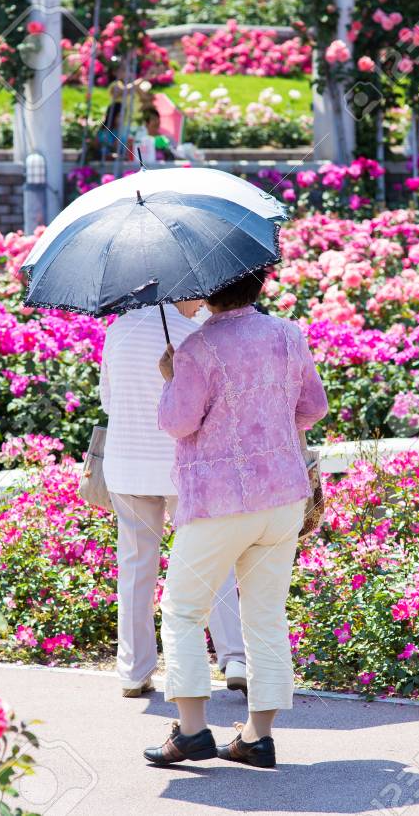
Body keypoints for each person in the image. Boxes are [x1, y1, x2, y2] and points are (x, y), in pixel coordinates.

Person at [144, 270, 328, 769]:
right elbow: (313, 406)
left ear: (207, 290)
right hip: (283, 495)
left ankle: (192, 731)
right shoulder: (288, 334)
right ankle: (257, 737)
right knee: (265, 615)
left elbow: (178, 422)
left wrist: (172, 379)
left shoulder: (197, 349)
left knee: (183, 610)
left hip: (219, 504)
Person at [99, 303, 247, 699]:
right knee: (212, 560)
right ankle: (235, 657)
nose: (201, 301)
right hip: (183, 467)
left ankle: (133, 670)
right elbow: (208, 410)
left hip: (127, 465)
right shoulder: (198, 334)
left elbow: (108, 402)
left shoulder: (119, 330)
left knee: (135, 568)